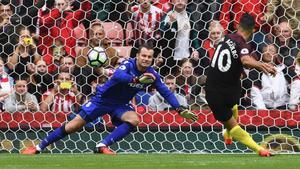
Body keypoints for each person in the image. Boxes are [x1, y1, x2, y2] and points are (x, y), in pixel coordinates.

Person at [21, 43, 198, 155]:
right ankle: (38, 147)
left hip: (120, 104)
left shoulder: (152, 74)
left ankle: (102, 145)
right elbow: (119, 78)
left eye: (149, 57)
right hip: (102, 99)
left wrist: (179, 109)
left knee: (134, 120)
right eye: (143, 56)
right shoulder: (127, 65)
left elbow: (166, 92)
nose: (145, 59)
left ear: (152, 59)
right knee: (72, 126)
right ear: (137, 56)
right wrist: (136, 80)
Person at [205, 13, 277, 157]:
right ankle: (260, 149)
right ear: (253, 30)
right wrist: (262, 65)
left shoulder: (228, 37)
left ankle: (227, 131)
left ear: (237, 26)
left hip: (215, 88)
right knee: (233, 125)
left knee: (237, 93)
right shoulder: (243, 44)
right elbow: (245, 60)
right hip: (224, 92)